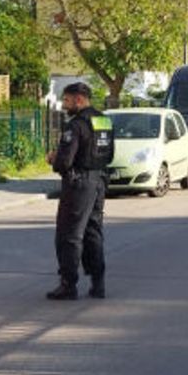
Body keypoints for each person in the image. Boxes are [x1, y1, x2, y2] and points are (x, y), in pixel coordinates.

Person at [45, 82, 113, 300]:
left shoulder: (76, 125)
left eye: (66, 100)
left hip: (79, 184)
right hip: (99, 181)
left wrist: (54, 159)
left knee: (69, 235)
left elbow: (64, 162)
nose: (64, 105)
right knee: (94, 232)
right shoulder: (103, 120)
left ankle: (68, 284)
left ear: (79, 99)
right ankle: (98, 283)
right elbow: (109, 154)